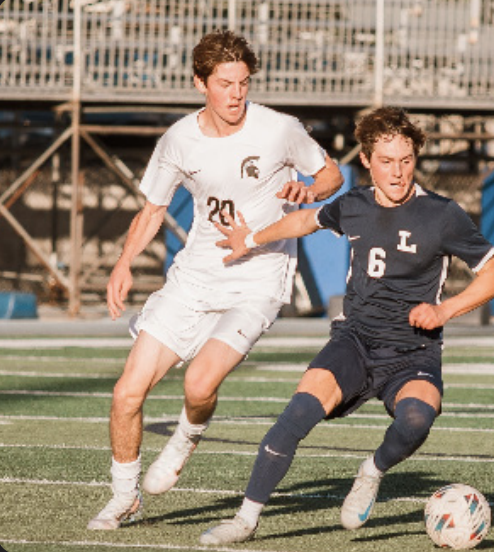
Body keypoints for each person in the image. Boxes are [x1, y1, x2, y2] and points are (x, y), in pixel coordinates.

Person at [200, 106, 494, 544]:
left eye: (406, 161)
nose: (397, 173)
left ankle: (371, 471)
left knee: (418, 417)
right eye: (386, 161)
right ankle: (245, 520)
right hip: (355, 341)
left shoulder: (442, 214)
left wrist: (443, 311)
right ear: (366, 160)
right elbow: (306, 220)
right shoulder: (355, 204)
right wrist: (248, 240)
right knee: (300, 411)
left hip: (413, 351)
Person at [87, 29, 343, 531]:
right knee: (125, 394)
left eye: (243, 83)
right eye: (226, 83)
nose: (237, 94)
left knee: (199, 383)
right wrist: (122, 263)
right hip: (194, 278)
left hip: (258, 279)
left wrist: (309, 187)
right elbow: (152, 209)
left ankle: (186, 435)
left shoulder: (278, 128)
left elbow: (331, 173)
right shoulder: (178, 139)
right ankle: (124, 497)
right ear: (200, 82)